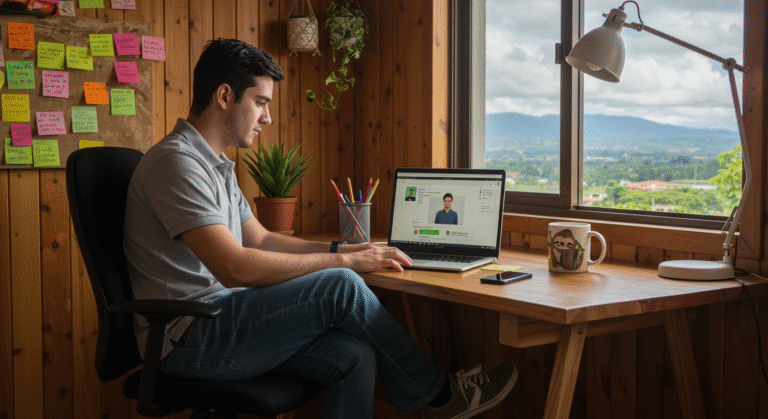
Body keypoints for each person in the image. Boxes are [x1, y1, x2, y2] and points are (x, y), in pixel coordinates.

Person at [123, 38, 517, 419]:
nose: (267, 118)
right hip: (188, 339)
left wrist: (345, 251)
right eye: (261, 102)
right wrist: (344, 265)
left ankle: (436, 397)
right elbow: (234, 267)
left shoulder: (213, 165)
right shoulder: (177, 163)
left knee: (354, 355)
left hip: (223, 320)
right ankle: (440, 397)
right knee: (340, 285)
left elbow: (260, 239)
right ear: (224, 96)